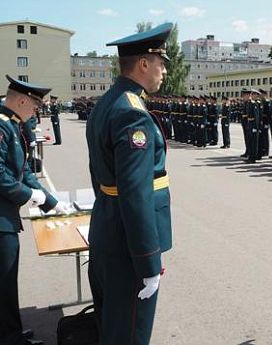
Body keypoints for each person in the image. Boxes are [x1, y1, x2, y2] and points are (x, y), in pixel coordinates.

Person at [86, 23, 173, 345]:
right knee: (129, 335)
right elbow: (137, 194)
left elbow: (98, 173)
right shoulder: (132, 113)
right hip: (128, 247)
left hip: (108, 232)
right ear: (144, 63)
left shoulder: (108, 103)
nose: (163, 70)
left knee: (112, 329)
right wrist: (148, 261)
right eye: (161, 63)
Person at [1, 75, 69, 345]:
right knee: (4, 283)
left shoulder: (13, 126)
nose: (36, 111)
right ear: (20, 100)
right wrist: (32, 196)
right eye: (34, 106)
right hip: (1, 220)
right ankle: (10, 339)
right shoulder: (3, 127)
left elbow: (24, 170)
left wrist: (52, 201)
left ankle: (11, 332)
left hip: (6, 216)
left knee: (6, 282)